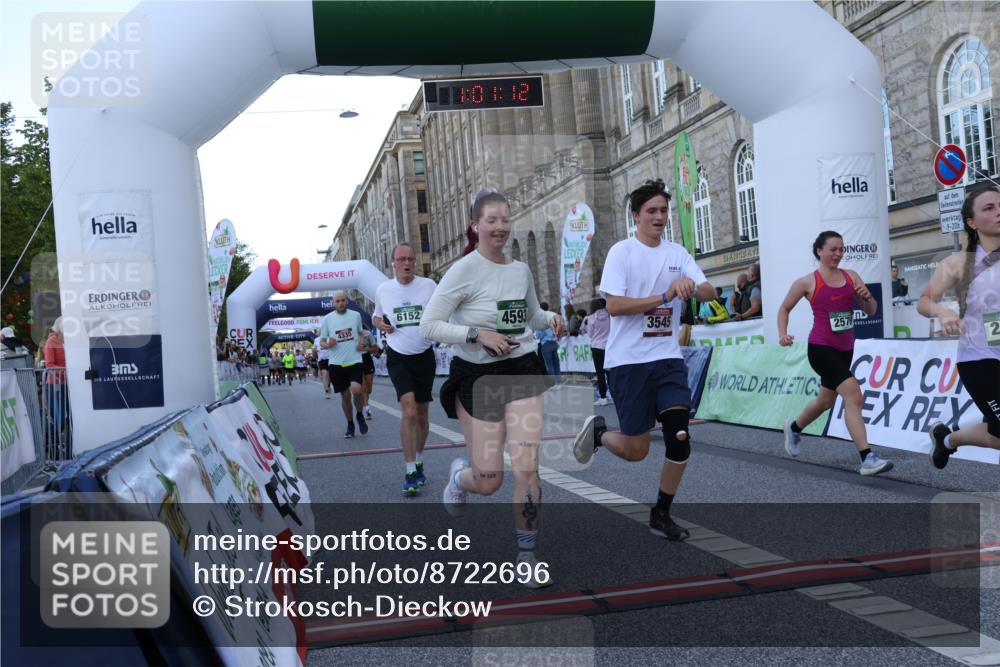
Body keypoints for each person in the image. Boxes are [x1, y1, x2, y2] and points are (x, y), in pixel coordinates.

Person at [420, 188, 563, 587]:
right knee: (489, 481)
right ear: (476, 226)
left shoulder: (520, 270)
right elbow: (428, 325)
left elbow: (529, 315)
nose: (500, 227)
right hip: (478, 376)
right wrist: (476, 334)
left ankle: (527, 554)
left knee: (526, 467)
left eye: (505, 219)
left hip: (523, 369)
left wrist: (549, 318)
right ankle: (459, 479)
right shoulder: (463, 270)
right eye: (491, 220)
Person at [572, 179, 716, 542]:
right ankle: (600, 434)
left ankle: (661, 513)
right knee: (636, 450)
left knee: (679, 437)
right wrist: (664, 294)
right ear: (635, 216)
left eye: (664, 211)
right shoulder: (622, 252)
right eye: (651, 211)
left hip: (667, 359)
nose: (659, 217)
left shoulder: (678, 254)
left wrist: (692, 286)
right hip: (628, 363)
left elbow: (710, 291)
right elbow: (616, 306)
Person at [778, 230, 893, 476]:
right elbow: (784, 309)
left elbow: (871, 310)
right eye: (833, 249)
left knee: (826, 401)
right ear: (819, 250)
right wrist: (783, 333)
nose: (838, 254)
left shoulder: (851, 277)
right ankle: (867, 457)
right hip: (820, 348)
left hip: (845, 349)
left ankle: (795, 428)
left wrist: (866, 298)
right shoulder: (807, 282)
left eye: (841, 249)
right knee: (854, 394)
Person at [918, 186, 1000, 468]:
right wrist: (942, 312)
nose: (998, 211)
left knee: (998, 433)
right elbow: (924, 301)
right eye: (989, 208)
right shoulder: (957, 262)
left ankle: (948, 439)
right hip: (980, 359)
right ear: (972, 222)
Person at [374, 242, 438, 495]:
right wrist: (382, 325)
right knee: (409, 410)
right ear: (393, 262)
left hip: (424, 355)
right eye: (401, 259)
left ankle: (419, 460)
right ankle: (410, 470)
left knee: (422, 415)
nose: (407, 263)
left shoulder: (429, 286)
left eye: (411, 258)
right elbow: (377, 316)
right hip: (398, 355)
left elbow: (440, 312)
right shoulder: (384, 289)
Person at [320, 291, 369, 438]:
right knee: (345, 396)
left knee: (357, 390)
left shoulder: (355, 315)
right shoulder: (327, 319)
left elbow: (361, 333)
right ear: (333, 303)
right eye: (337, 301)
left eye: (343, 300)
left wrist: (361, 342)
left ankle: (359, 414)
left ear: (347, 301)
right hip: (336, 363)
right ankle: (350, 423)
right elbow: (322, 341)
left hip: (354, 359)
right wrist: (328, 344)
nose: (340, 303)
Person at [43, 317, 68, 451]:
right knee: (59, 419)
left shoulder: (68, 340)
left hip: (69, 384)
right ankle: (55, 447)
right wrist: (68, 373)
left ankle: (66, 446)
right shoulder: (51, 341)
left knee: (69, 417)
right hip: (55, 385)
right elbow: (49, 365)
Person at [581, 298, 611, 405]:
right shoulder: (609, 315)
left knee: (600, 373)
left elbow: (590, 334)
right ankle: (613, 394)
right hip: (608, 346)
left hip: (596, 346)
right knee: (610, 372)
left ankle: (603, 397)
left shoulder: (591, 318)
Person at [534, 301, 560, 377]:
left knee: (549, 365)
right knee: (556, 364)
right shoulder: (552, 316)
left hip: (546, 344)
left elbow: (539, 334)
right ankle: (559, 383)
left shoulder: (541, 318)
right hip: (554, 342)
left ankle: (554, 385)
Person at [359, 324, 379, 420]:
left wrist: (366, 348)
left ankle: (366, 399)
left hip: (367, 359)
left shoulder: (367, 334)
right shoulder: (350, 335)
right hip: (356, 360)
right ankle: (367, 409)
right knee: (363, 388)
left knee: (369, 388)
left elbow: (375, 349)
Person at [313, 329, 331, 397]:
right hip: (321, 359)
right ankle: (326, 390)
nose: (319, 332)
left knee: (329, 376)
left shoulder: (329, 338)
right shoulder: (316, 340)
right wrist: (314, 355)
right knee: (324, 374)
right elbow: (314, 349)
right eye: (318, 332)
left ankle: (328, 386)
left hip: (330, 359)